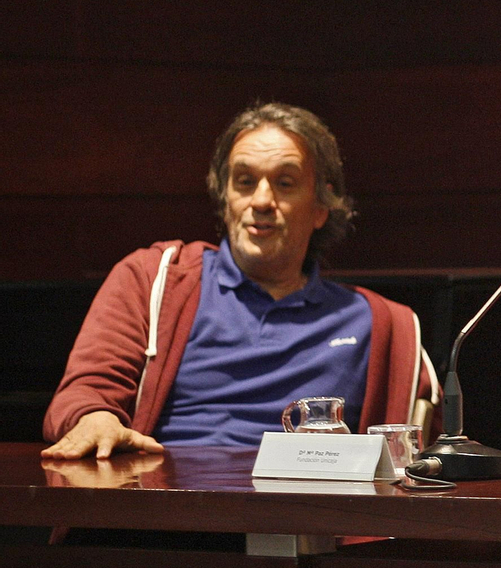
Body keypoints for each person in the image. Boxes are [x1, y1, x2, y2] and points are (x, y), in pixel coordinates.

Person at [42, 102, 435, 460]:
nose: (261, 200)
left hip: (307, 524)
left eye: (285, 183)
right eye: (245, 181)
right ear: (224, 197)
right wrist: (94, 418)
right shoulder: (153, 278)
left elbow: (424, 455)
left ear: (320, 207)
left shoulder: (380, 324)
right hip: (163, 515)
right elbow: (84, 393)